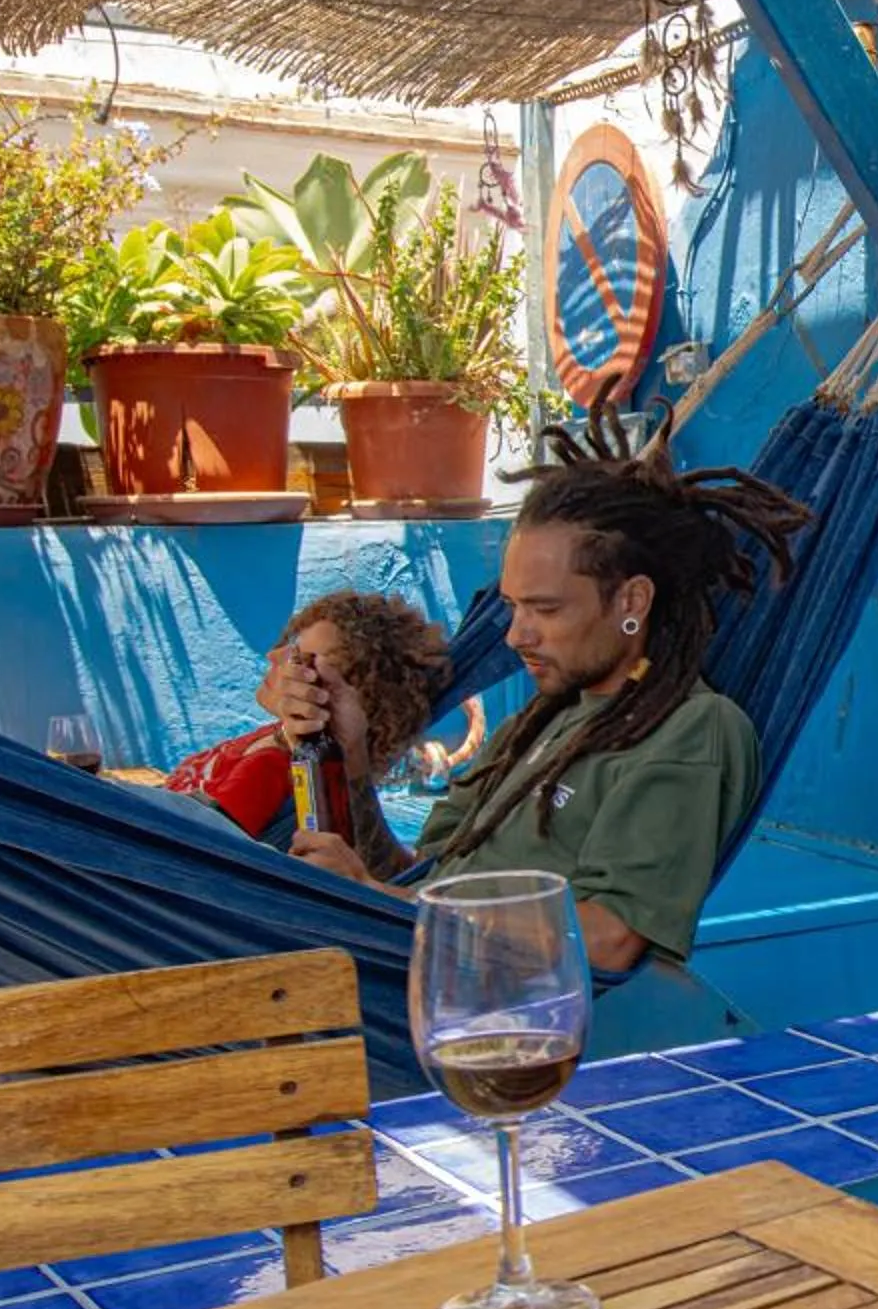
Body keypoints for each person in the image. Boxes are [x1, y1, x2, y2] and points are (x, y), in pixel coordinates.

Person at [279, 411, 810, 974]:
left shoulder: (691, 728)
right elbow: (414, 876)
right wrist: (354, 766)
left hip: (505, 1016)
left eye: (546, 609)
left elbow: (609, 937)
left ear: (631, 602)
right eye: (512, 607)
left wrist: (387, 904)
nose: (515, 636)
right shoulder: (538, 724)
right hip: (416, 975)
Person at [167, 590, 449, 843]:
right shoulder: (274, 737)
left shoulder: (275, 768)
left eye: (299, 659)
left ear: (331, 694)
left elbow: (190, 847)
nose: (273, 655)